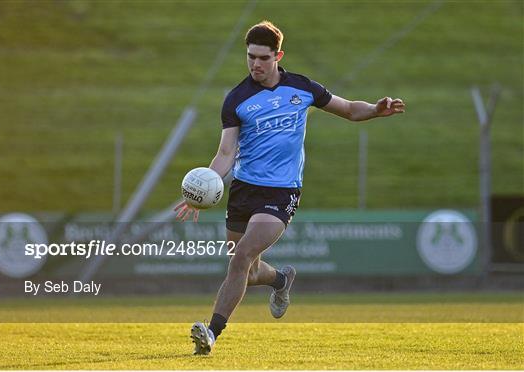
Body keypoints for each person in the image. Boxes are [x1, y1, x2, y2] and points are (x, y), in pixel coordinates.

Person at [174, 20, 405, 355]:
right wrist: (202, 190)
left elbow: (349, 110)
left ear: (278, 56)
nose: (255, 64)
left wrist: (375, 110)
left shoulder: (302, 88)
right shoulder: (236, 100)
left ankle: (210, 334)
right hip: (243, 190)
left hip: (281, 192)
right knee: (248, 270)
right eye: (250, 56)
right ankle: (280, 280)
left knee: (240, 258)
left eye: (263, 58)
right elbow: (226, 153)